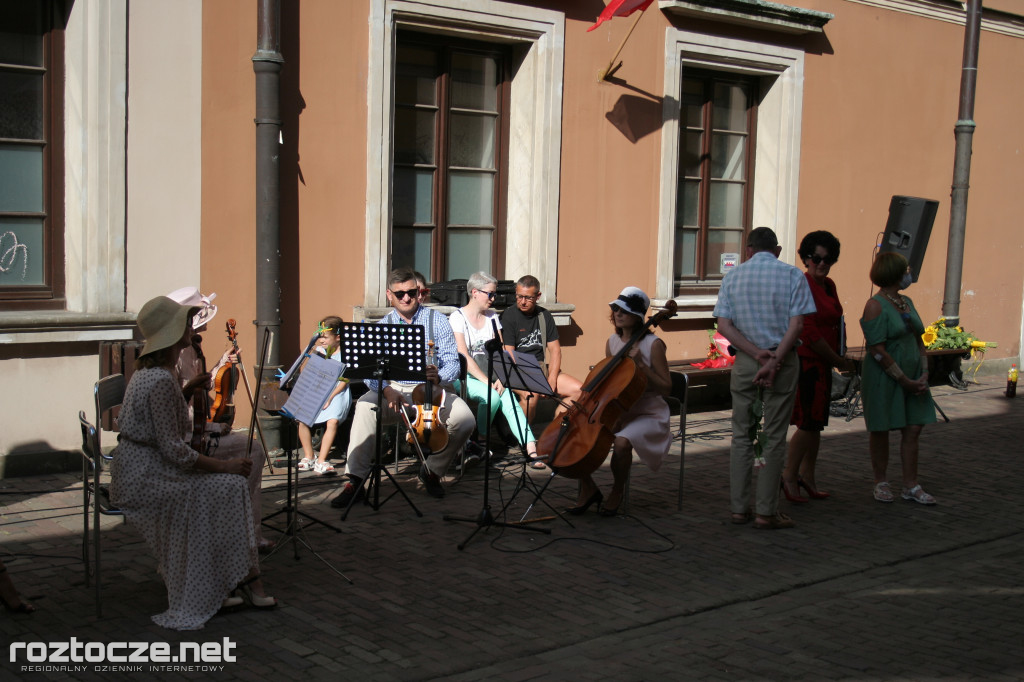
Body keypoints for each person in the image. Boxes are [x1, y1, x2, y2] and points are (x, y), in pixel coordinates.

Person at [110, 296, 275, 630]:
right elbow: (175, 450)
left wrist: (186, 392)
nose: (191, 327)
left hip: (145, 465)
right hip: (144, 475)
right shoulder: (158, 379)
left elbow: (163, 427)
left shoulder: (159, 375)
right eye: (185, 323)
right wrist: (225, 466)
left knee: (225, 491)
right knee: (226, 488)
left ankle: (233, 578)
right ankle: (240, 577)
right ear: (172, 335)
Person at [332, 267, 475, 505]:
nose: (407, 298)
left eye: (411, 292)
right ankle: (355, 481)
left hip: (432, 390)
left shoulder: (438, 320)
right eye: (400, 294)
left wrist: (438, 377)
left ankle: (431, 471)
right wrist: (386, 389)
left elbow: (452, 362)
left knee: (466, 420)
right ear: (390, 295)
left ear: (419, 292)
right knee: (365, 407)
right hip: (395, 389)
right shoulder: (382, 325)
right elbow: (369, 371)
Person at [714, 227, 816, 530]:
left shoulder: (732, 277)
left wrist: (756, 354)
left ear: (748, 250)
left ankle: (738, 509)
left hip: (747, 362)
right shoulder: (793, 275)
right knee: (773, 436)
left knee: (741, 434)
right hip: (782, 360)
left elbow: (725, 325)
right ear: (778, 250)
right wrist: (773, 359)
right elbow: (797, 326)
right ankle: (765, 511)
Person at [168, 287, 274, 552]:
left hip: (197, 425)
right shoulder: (176, 353)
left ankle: (241, 525)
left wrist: (220, 365)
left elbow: (203, 386)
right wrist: (209, 424)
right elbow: (176, 404)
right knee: (253, 450)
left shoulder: (192, 347)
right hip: (186, 434)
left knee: (249, 449)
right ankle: (245, 531)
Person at [567, 287, 672, 516]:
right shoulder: (613, 342)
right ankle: (589, 488)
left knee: (622, 443)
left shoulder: (653, 345)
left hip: (649, 412)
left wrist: (642, 366)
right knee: (575, 435)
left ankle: (617, 489)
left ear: (638, 316)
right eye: (616, 309)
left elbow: (666, 387)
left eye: (624, 310)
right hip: (620, 410)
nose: (618, 313)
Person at [782, 232, 857, 503]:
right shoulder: (802, 285)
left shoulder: (829, 285)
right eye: (816, 258)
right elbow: (810, 332)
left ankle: (807, 476)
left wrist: (839, 352)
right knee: (808, 423)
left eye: (828, 259)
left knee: (817, 424)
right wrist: (837, 360)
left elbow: (836, 320)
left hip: (824, 361)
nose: (822, 264)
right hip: (808, 362)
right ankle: (789, 475)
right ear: (806, 259)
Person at [859, 252, 937, 505]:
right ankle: (880, 481)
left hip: (914, 376)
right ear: (895, 273)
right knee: (881, 428)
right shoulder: (875, 305)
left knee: (913, 427)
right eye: (906, 270)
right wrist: (903, 379)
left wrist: (923, 372)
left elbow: (918, 339)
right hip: (886, 378)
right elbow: (876, 349)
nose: (909, 274)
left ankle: (910, 484)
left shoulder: (907, 302)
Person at [450, 272, 539, 463]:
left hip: (492, 376)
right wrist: (487, 382)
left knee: (511, 403)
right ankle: (481, 439)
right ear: (475, 292)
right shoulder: (457, 318)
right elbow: (463, 355)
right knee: (491, 398)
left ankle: (531, 447)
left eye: (494, 294)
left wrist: (501, 378)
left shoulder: (492, 317)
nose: (493, 298)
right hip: (465, 378)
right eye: (490, 294)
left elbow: (501, 352)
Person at [500, 274, 583, 425]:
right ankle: (523, 436)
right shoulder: (509, 316)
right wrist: (537, 382)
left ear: (538, 296)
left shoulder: (544, 316)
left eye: (528, 298)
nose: (523, 301)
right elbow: (509, 354)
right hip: (517, 368)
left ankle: (556, 427)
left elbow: (556, 351)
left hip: (539, 367)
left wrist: (551, 379)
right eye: (519, 296)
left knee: (580, 391)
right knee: (531, 395)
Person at [296, 316, 352, 475]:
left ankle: (321, 460)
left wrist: (330, 397)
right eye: (319, 336)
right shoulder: (320, 351)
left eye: (325, 337)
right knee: (302, 417)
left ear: (338, 337)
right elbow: (309, 372)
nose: (321, 340)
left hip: (337, 392)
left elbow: (344, 380)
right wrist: (310, 353)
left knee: (332, 421)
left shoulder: (346, 354)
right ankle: (309, 456)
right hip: (317, 389)